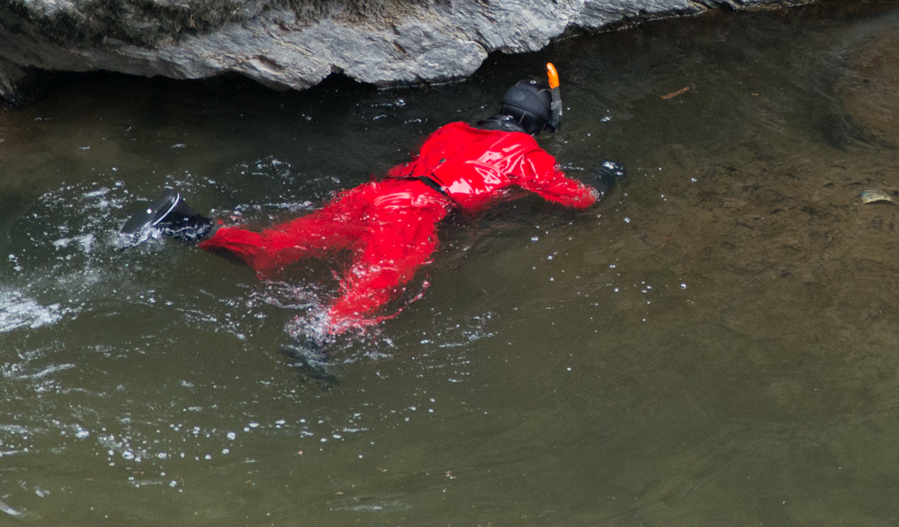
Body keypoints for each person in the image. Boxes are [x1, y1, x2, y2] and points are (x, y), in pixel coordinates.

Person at [142, 64, 612, 336]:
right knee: (373, 287)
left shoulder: (451, 130)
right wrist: (605, 180)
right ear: (539, 124)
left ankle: (191, 227)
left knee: (279, 246)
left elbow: (414, 171)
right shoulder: (524, 152)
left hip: (375, 194)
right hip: (412, 210)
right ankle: (317, 338)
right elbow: (578, 198)